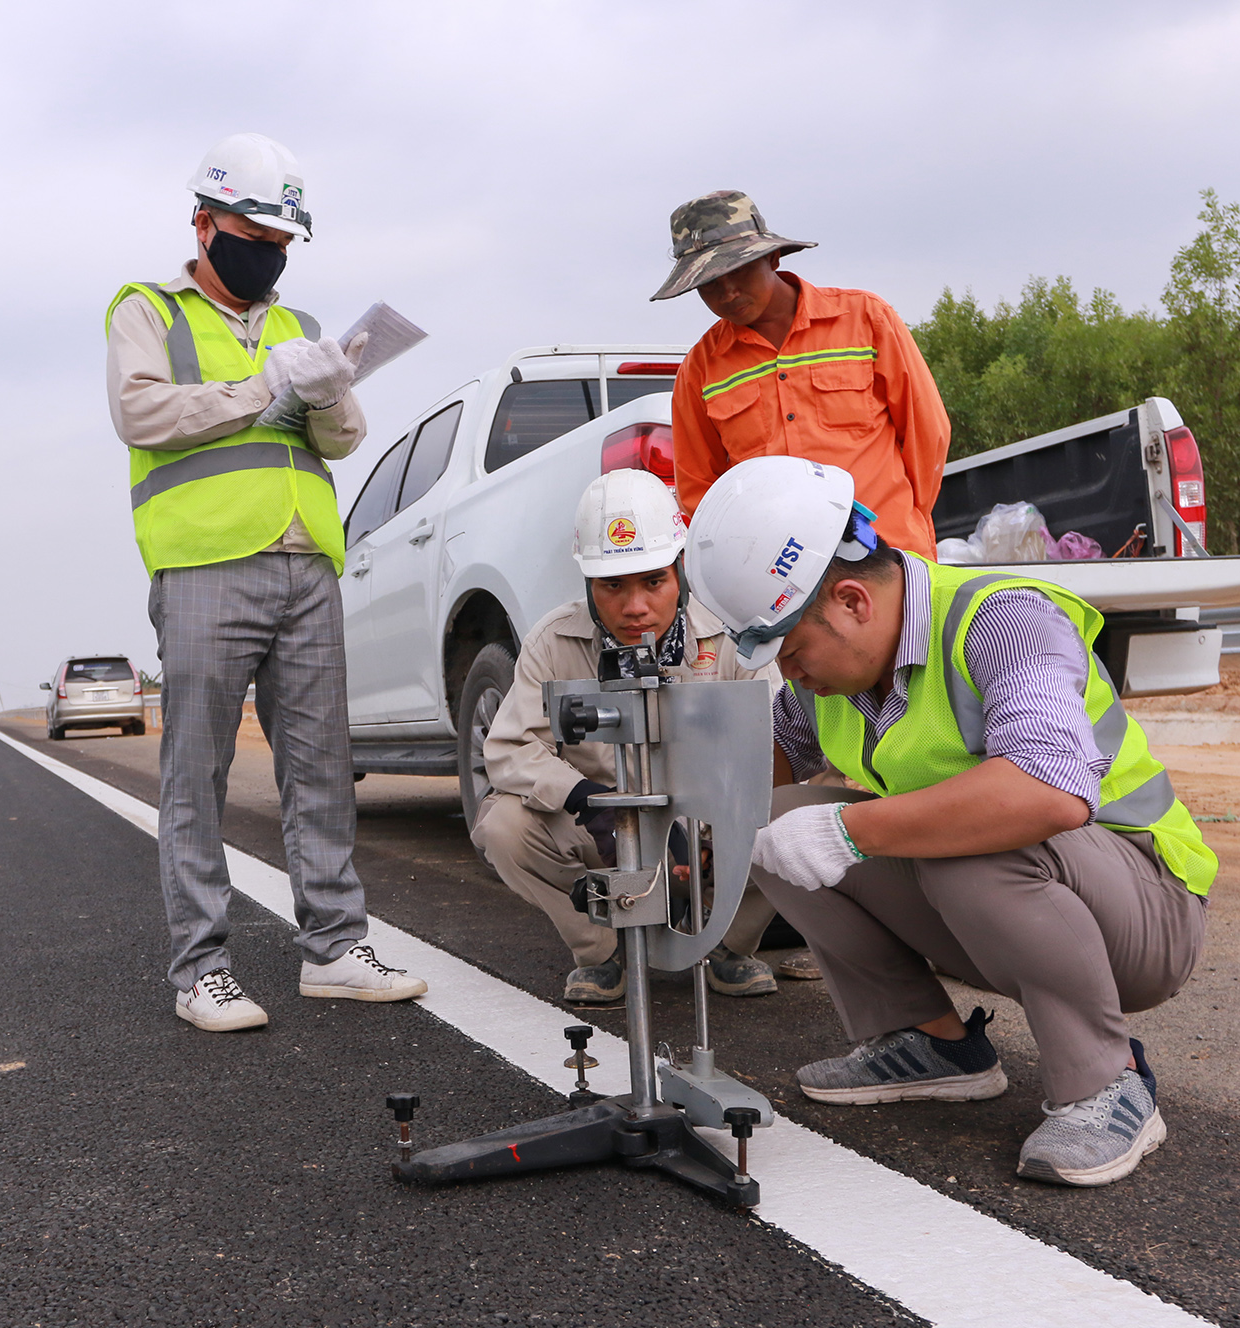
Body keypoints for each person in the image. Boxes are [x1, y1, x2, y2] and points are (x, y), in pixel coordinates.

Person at [686, 456, 1217, 1187]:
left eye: (793, 649)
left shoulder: (1002, 620)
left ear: (851, 601)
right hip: (1005, 897)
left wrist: (851, 834)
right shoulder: (829, 679)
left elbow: (1047, 789)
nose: (792, 672)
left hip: (1147, 906)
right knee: (776, 823)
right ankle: (928, 1042)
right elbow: (760, 769)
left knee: (963, 841)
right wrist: (700, 836)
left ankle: (1107, 1082)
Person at [106, 132, 425, 1033]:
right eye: (255, 234)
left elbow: (344, 438)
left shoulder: (299, 326)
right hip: (206, 562)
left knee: (321, 766)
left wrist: (323, 392)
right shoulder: (147, 311)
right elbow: (140, 412)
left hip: (304, 563)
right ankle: (201, 966)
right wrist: (260, 388)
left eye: (284, 243)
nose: (270, 256)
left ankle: (334, 947)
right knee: (195, 773)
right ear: (204, 223)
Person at [472, 470, 787, 1004]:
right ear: (588, 584)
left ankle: (731, 946)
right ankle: (602, 952)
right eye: (612, 585)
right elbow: (509, 748)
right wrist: (590, 803)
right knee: (503, 825)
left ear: (681, 572)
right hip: (605, 838)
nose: (634, 606)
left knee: (795, 815)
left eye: (652, 581)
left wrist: (711, 829)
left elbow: (776, 744)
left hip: (712, 839)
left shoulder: (733, 637)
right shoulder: (554, 641)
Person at [652, 190, 950, 559]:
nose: (727, 292)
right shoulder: (700, 370)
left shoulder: (865, 319)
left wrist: (907, 519)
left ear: (772, 257)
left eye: (738, 270)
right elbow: (700, 491)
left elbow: (927, 433)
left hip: (890, 556)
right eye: (709, 283)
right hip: (778, 579)